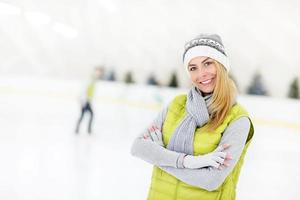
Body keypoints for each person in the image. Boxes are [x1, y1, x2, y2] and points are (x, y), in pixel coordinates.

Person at [131, 34, 254, 200]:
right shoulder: (177, 104)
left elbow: (211, 180)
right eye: (193, 68)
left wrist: (161, 156)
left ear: (222, 65)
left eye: (208, 63)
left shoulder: (237, 119)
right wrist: (190, 162)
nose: (201, 73)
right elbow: (138, 147)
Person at [75, 67, 103, 134]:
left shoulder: (93, 81)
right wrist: (83, 101)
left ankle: (83, 129)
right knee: (85, 115)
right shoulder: (89, 81)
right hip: (85, 101)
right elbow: (84, 91)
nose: (99, 74)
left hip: (87, 101)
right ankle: (84, 129)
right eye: (98, 72)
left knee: (87, 115)